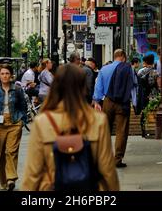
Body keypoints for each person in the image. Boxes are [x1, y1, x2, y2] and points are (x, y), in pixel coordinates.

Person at [20, 63, 119, 191]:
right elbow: (107, 169)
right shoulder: (98, 120)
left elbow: (32, 173)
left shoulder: (42, 122)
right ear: (83, 87)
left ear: (56, 86)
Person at [0, 63, 27, 191]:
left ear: (11, 75)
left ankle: (11, 179)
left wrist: (22, 121)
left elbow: (23, 106)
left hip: (14, 123)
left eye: (7, 73)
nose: (5, 76)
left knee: (11, 151)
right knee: (2, 155)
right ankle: (4, 181)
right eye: (2, 73)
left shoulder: (18, 89)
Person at [93, 49, 136, 168]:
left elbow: (98, 87)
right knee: (121, 131)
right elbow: (132, 86)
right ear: (122, 56)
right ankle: (117, 159)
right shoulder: (129, 69)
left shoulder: (104, 69)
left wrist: (96, 101)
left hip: (108, 101)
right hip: (123, 102)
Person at [137, 54, 159, 138]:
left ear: (145, 62)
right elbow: (158, 84)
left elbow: (138, 85)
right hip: (153, 95)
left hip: (144, 95)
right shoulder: (156, 72)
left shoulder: (140, 72)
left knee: (144, 113)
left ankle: (143, 131)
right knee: (154, 112)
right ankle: (154, 130)